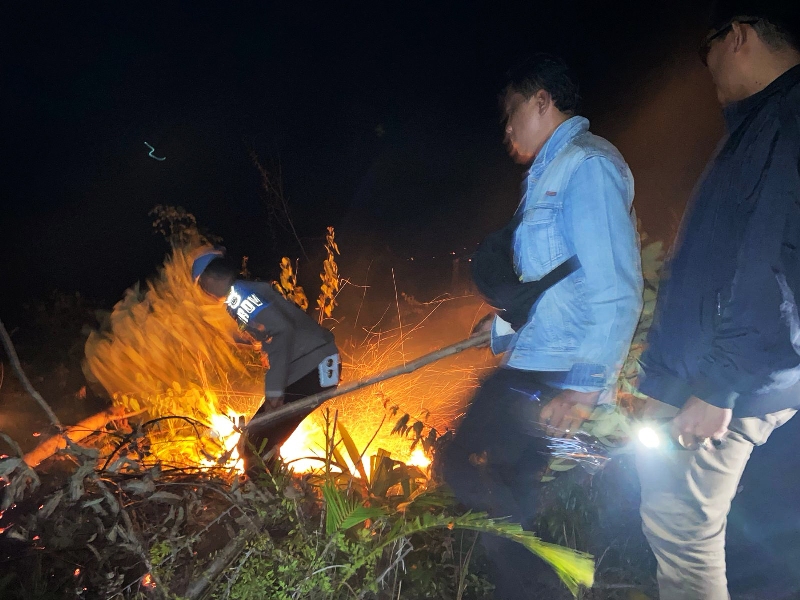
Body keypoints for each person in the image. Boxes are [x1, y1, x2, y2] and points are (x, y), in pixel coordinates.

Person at [440, 55, 642, 599]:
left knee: (497, 509)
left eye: (512, 113)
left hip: (558, 372)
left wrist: (582, 390)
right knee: (485, 493)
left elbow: (616, 287)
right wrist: (500, 328)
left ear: (542, 101)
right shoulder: (548, 174)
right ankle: (540, 578)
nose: (506, 129)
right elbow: (552, 289)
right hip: (535, 359)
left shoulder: (585, 166)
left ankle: (546, 583)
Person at [634, 3, 800, 599]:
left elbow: (772, 263)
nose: (710, 77)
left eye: (710, 58)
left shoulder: (782, 121)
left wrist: (719, 385)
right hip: (744, 370)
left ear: (739, 37)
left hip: (739, 375)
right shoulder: (767, 122)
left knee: (681, 526)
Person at [191, 249, 341, 474]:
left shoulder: (240, 296)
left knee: (255, 443)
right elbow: (270, 331)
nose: (205, 292)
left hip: (314, 367)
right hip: (315, 365)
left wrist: (274, 391)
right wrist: (237, 339)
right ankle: (274, 496)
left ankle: (270, 498)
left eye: (202, 286)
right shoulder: (243, 293)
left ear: (210, 279)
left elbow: (281, 331)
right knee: (257, 441)